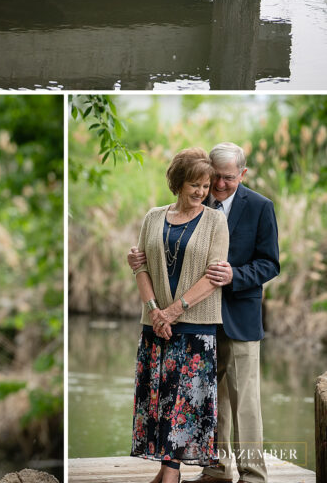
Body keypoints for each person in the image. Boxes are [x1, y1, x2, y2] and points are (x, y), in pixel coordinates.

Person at [129, 143, 279, 483]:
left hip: (238, 315)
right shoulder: (198, 198)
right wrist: (141, 266)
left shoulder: (259, 206)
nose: (219, 185)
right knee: (211, 401)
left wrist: (235, 276)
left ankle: (253, 474)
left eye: (227, 178)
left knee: (244, 403)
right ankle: (217, 469)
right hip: (197, 321)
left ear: (243, 174)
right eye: (215, 178)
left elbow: (270, 263)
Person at [131, 148, 229, 483]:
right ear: (177, 183)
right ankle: (164, 474)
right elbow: (140, 266)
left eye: (206, 185)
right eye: (195, 185)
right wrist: (155, 312)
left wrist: (173, 312)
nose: (201, 192)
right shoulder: (153, 217)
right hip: (155, 326)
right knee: (160, 403)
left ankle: (169, 476)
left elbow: (213, 278)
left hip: (195, 329)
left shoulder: (216, 221)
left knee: (182, 406)